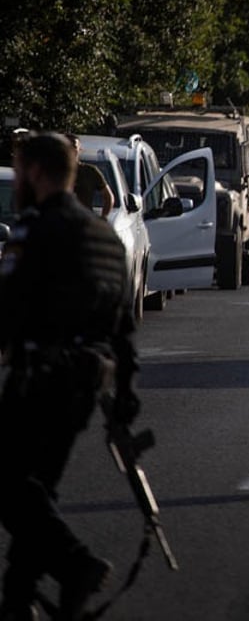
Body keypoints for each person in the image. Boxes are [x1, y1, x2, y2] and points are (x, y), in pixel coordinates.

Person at [0, 133, 141, 620]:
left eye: (19, 170)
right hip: (85, 387)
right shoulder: (104, 236)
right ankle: (17, 598)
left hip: (40, 379)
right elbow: (123, 329)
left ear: (37, 171)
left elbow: (9, 306)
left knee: (11, 484)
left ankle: (75, 564)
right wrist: (124, 398)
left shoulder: (37, 227)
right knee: (36, 492)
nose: (18, 180)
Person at [65, 134, 114, 217]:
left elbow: (108, 196)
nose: (71, 149)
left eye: (74, 146)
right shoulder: (53, 172)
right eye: (67, 146)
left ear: (79, 149)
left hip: (83, 222)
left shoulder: (90, 171)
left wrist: (103, 218)